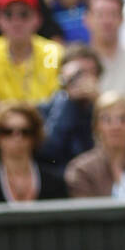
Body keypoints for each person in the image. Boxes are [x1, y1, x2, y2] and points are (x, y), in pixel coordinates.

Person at [65, 92, 125, 197]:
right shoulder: (81, 170)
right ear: (96, 126)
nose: (116, 126)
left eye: (123, 119)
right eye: (107, 120)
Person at [37, 43, 101, 174]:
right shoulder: (44, 109)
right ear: (63, 76)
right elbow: (49, 151)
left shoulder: (105, 106)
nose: (84, 80)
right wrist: (69, 101)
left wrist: (99, 103)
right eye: (78, 74)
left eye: (90, 73)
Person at [0, 0, 62, 103]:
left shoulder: (53, 52)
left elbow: (57, 100)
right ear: (0, 20)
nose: (16, 21)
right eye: (8, 14)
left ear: (37, 19)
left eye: (24, 14)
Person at [0, 99, 66, 200]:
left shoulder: (54, 182)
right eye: (7, 131)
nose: (17, 137)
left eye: (25, 132)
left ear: (35, 136)